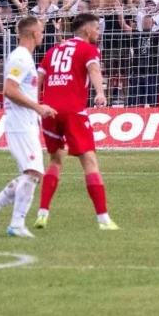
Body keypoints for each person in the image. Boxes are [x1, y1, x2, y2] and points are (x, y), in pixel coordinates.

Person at [34, 13, 117, 230]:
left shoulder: (53, 50)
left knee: (55, 161)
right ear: (87, 30)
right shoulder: (89, 49)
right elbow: (94, 69)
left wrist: (35, 107)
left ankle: (42, 213)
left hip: (49, 110)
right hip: (73, 112)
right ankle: (103, 219)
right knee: (89, 162)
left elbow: (38, 78)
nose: (99, 32)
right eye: (97, 28)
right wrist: (100, 92)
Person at [0, 16, 55, 238]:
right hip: (20, 123)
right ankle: (16, 224)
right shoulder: (20, 58)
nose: (43, 34)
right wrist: (38, 107)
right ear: (33, 34)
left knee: (31, 173)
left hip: (26, 122)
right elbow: (9, 90)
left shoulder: (24, 57)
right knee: (33, 173)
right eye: (41, 30)